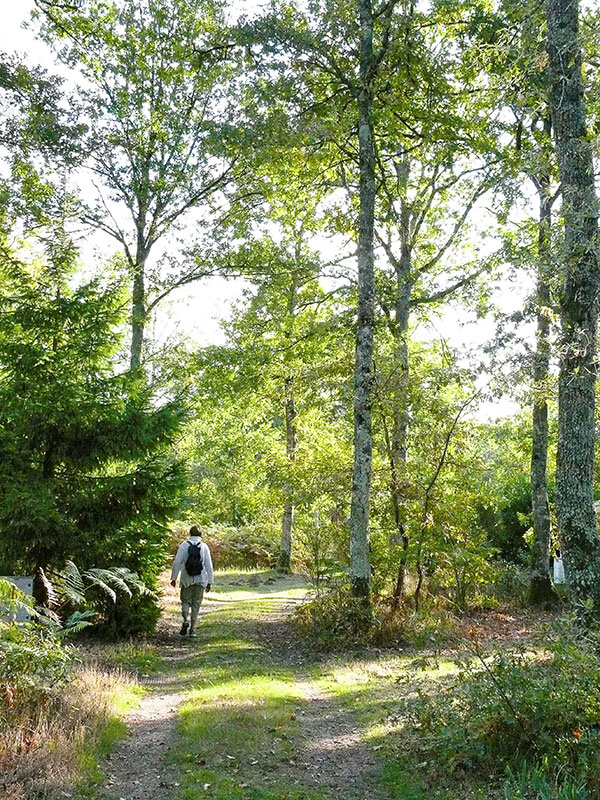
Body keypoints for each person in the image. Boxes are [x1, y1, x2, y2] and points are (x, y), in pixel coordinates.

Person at [170, 525, 213, 637]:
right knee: (196, 604)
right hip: (201, 579)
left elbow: (177, 562)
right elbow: (209, 565)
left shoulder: (184, 545)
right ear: (200, 534)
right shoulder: (204, 546)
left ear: (190, 534)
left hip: (186, 579)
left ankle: (185, 621)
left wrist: (173, 578)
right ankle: (192, 629)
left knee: (185, 601)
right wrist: (210, 581)